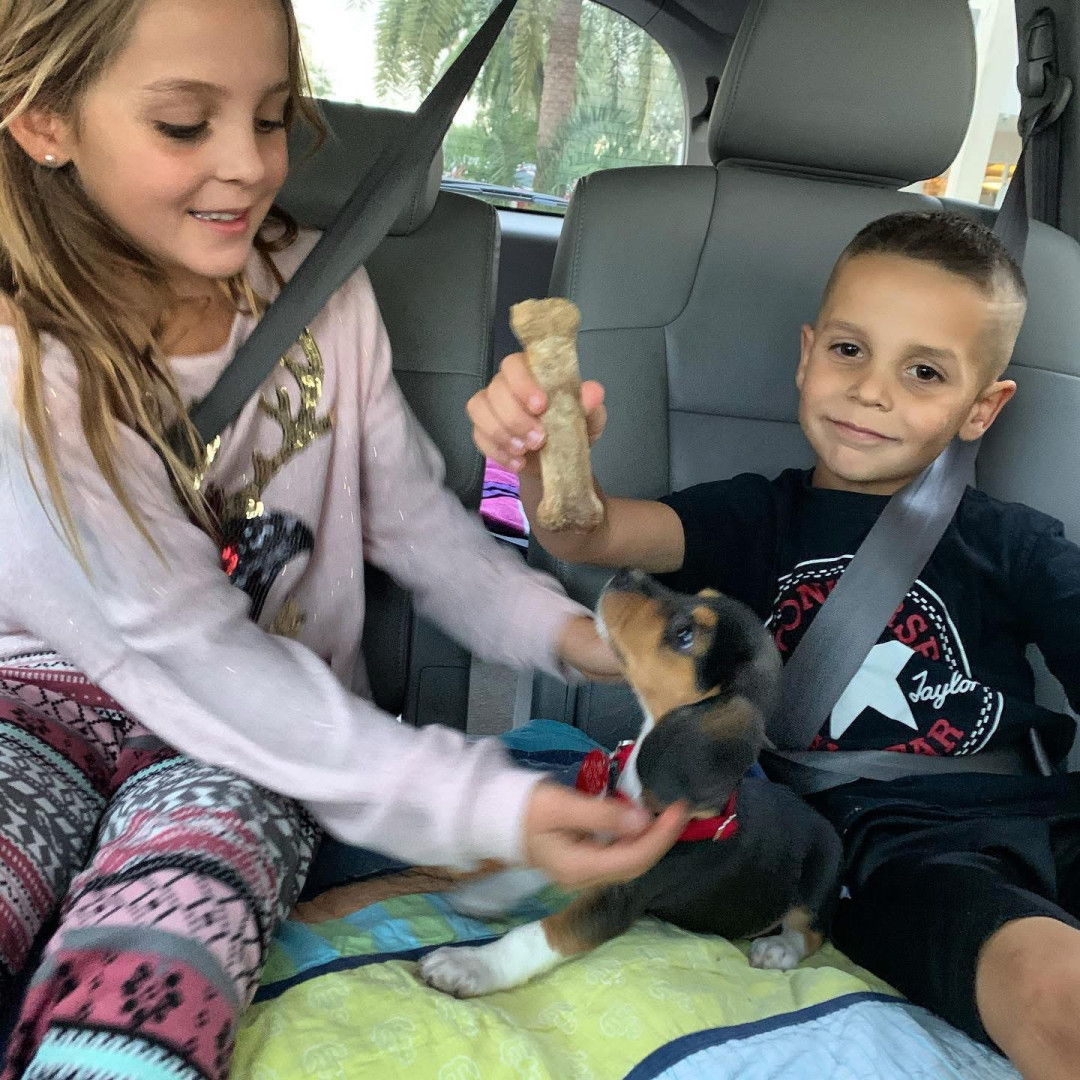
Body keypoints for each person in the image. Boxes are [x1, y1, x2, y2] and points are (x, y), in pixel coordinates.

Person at [0, 0, 691, 1075]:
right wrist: (480, 803)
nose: (249, 164)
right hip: (37, 709)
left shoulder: (322, 293)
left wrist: (582, 639)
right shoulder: (23, 362)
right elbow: (182, 651)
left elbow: (417, 528)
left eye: (272, 117)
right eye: (184, 124)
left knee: (182, 923)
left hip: (254, 740)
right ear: (47, 122)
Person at [472, 209, 1080, 1080]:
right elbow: (587, 531)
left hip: (1046, 806)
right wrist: (545, 458)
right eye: (848, 350)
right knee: (1053, 990)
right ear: (806, 354)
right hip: (892, 847)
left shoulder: (1015, 542)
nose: (871, 391)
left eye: (923, 372)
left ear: (983, 407)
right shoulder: (757, 516)